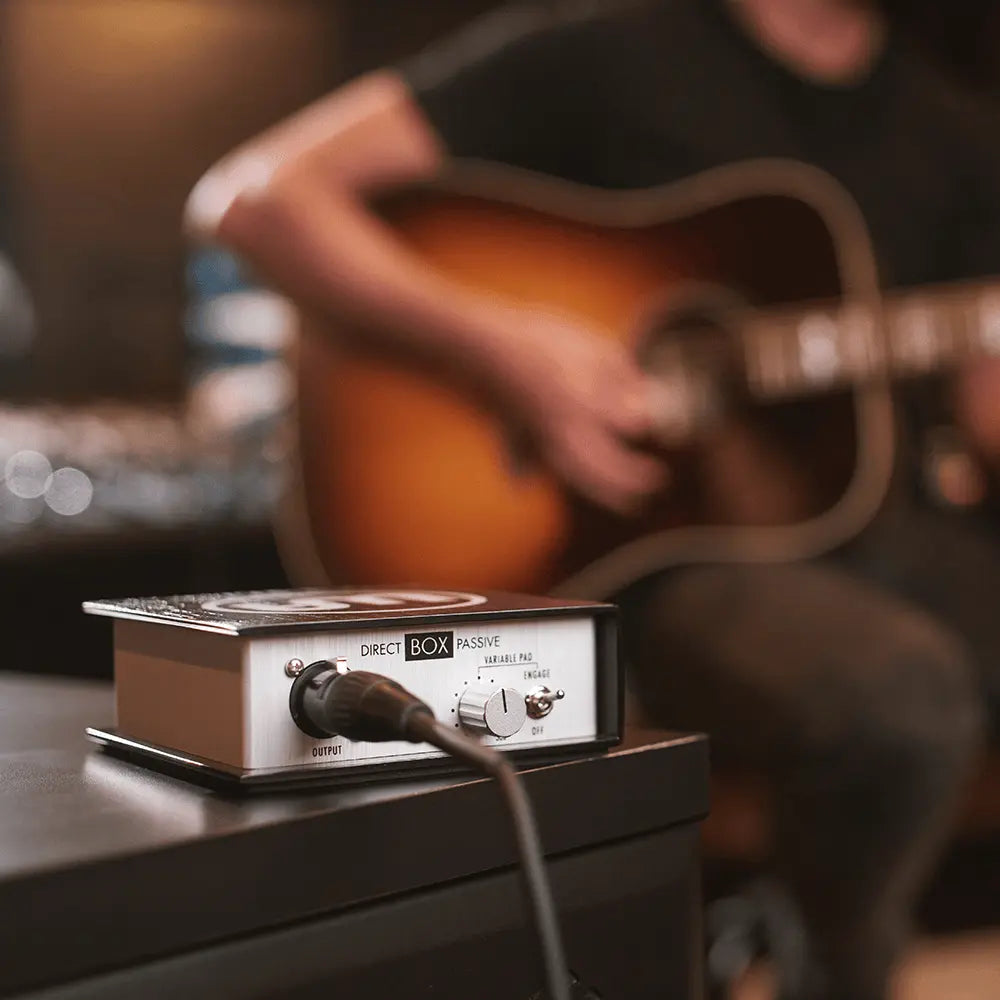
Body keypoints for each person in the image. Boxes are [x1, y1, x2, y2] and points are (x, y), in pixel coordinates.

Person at [184, 2, 1000, 997]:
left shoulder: (950, 124)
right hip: (642, 554)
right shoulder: (610, 50)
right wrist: (501, 348)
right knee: (901, 695)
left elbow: (983, 403)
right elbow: (258, 198)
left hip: (877, 526)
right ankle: (832, 967)